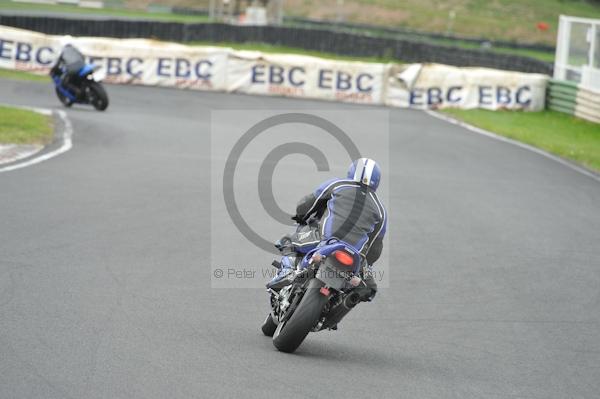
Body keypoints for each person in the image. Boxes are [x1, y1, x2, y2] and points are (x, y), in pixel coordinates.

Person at [268, 158, 387, 302]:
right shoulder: (381, 210)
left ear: (351, 172)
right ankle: (338, 306)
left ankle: (285, 274)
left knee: (287, 242)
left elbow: (307, 205)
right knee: (367, 289)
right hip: (355, 255)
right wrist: (365, 263)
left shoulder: (338, 184)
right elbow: (375, 247)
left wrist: (301, 216)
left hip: (327, 240)